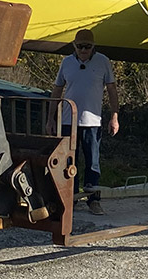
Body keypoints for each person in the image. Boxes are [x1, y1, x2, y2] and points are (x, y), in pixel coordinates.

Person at [50, 29, 120, 215]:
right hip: (68, 121)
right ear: (74, 46)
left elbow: (112, 90)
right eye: (80, 46)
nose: (83, 50)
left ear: (93, 47)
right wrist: (51, 118)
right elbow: (57, 91)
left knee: (92, 162)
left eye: (87, 47)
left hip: (92, 122)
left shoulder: (103, 62)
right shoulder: (66, 63)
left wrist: (114, 116)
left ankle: (93, 200)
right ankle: (70, 200)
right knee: (69, 162)